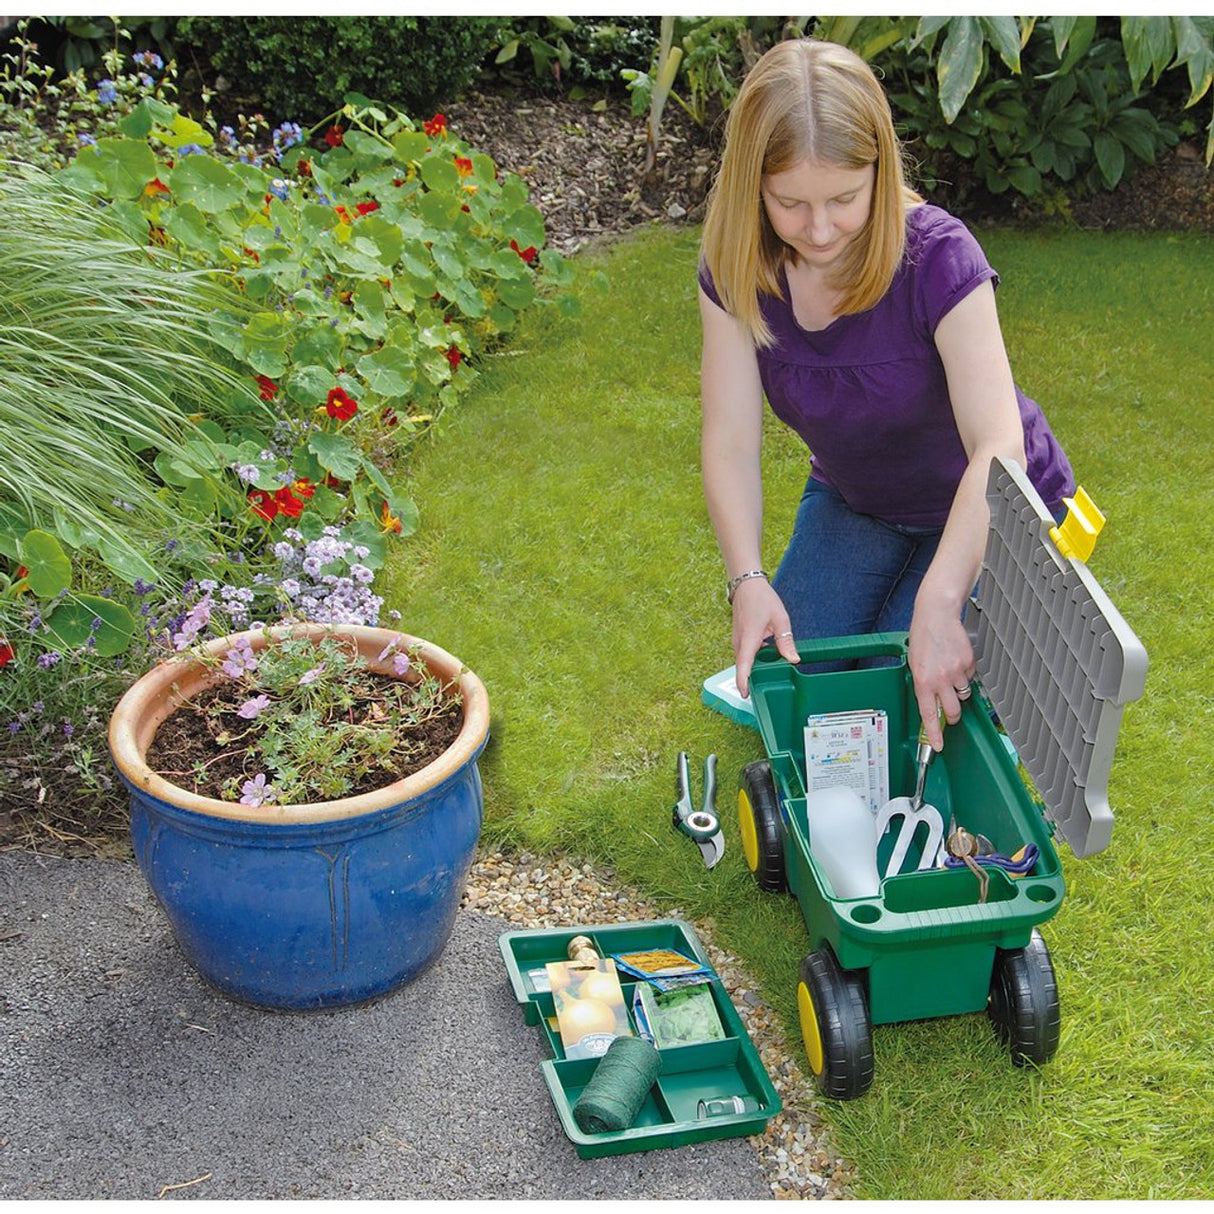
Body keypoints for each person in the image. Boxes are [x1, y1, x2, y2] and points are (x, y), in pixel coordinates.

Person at [698, 38, 1075, 751]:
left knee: (908, 699)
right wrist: (746, 579)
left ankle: (1023, 613)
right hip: (859, 499)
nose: (819, 229)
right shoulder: (734, 268)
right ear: (754, 187)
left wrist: (940, 599)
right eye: (790, 203)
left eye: (844, 198)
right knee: (803, 686)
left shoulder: (939, 256)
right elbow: (730, 439)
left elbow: (999, 450)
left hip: (987, 510)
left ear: (880, 168)